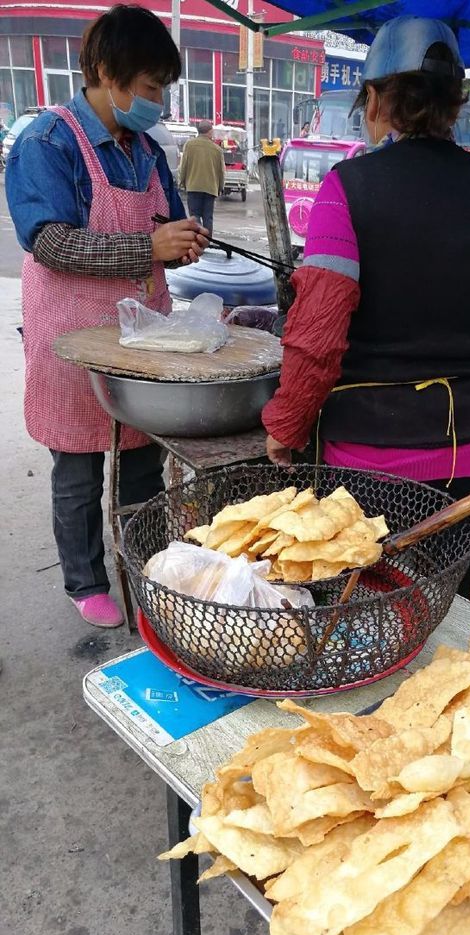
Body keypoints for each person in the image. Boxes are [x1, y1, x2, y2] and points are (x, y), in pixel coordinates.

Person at [262, 16, 470, 598]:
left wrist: (286, 423)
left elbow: (319, 334)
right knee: (440, 597)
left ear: (377, 98)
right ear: (454, 104)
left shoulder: (349, 187)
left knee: (365, 605)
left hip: (375, 456)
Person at [6, 4, 208, 629]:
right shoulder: (47, 141)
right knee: (78, 463)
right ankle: (86, 578)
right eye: (150, 87)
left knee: (143, 455)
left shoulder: (144, 146)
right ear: (104, 71)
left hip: (144, 332)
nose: (156, 102)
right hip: (72, 335)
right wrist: (147, 247)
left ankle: (147, 567)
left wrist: (180, 237)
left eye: (162, 90)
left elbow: (159, 223)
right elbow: (50, 244)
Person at [178, 119, 225, 236]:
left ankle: (197, 239)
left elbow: (183, 166)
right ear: (209, 132)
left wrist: (182, 182)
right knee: (208, 217)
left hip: (193, 186)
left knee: (195, 216)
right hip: (210, 188)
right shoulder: (217, 149)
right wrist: (220, 187)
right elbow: (221, 172)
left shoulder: (189, 145)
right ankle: (207, 240)